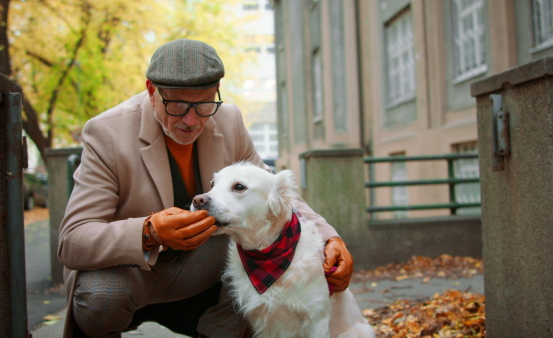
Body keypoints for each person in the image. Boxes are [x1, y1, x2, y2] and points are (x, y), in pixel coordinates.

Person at [58, 39, 354, 338]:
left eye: (203, 105)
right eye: (177, 105)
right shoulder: (106, 131)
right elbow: (73, 240)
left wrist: (331, 237)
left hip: (201, 271)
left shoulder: (229, 119)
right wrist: (149, 232)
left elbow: (273, 192)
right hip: (130, 274)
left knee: (252, 233)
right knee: (101, 297)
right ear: (151, 91)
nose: (191, 120)